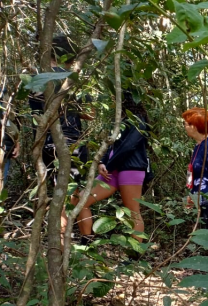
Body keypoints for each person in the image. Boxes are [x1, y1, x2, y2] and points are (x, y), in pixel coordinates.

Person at [64, 94, 149, 247]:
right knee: (80, 200)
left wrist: (108, 165)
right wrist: (103, 162)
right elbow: (112, 145)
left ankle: (135, 256)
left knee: (133, 213)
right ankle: (87, 243)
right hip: (112, 170)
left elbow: (128, 146)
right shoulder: (120, 121)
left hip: (130, 169)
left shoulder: (138, 120)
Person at [29, 35, 92, 185]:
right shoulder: (72, 80)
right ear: (71, 58)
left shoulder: (35, 80)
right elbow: (90, 114)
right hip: (70, 142)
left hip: (43, 142)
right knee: (69, 194)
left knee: (56, 191)